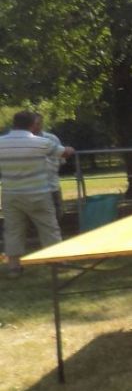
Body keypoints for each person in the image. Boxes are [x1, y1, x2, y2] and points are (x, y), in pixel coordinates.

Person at [0, 110, 63, 278]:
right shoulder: (42, 142)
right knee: (48, 227)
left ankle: (14, 267)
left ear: (14, 123)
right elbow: (62, 152)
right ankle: (57, 261)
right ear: (32, 124)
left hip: (10, 193)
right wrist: (69, 150)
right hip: (38, 192)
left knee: (13, 230)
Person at [32, 113, 74, 220]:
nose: (37, 126)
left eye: (39, 123)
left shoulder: (51, 138)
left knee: (57, 215)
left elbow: (61, 160)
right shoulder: (25, 141)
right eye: (35, 123)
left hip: (52, 185)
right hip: (33, 188)